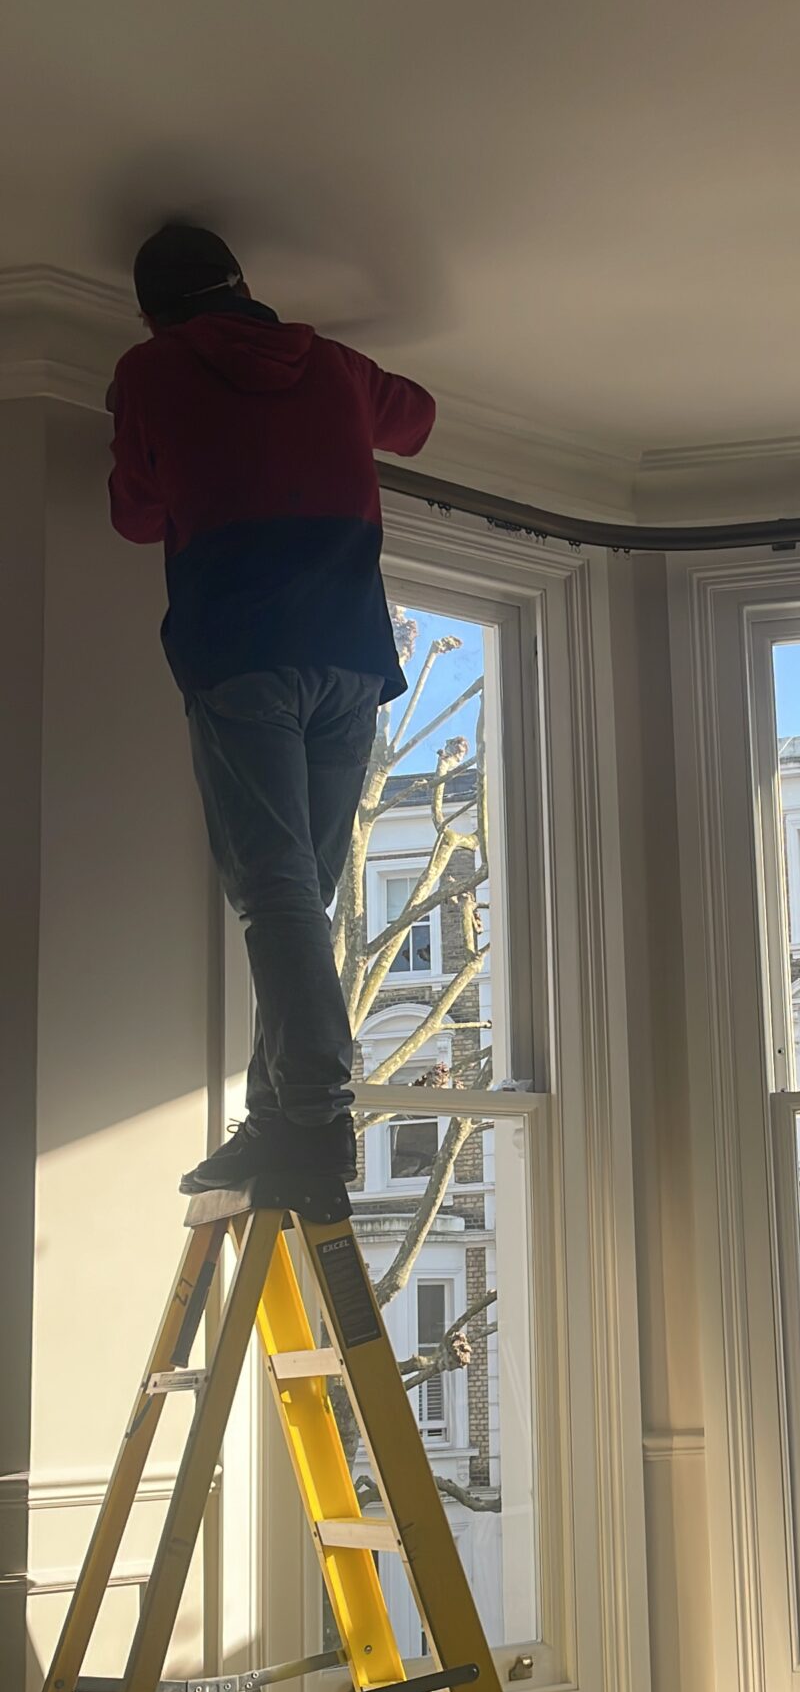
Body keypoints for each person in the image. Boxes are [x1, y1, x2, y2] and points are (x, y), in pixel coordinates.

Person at [108, 221, 436, 1199]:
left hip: (245, 654)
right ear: (244, 285)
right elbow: (417, 416)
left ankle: (317, 1119)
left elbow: (133, 513)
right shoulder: (330, 365)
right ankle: (276, 1118)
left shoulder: (152, 370)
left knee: (276, 890)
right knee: (296, 895)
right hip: (350, 660)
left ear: (153, 314)